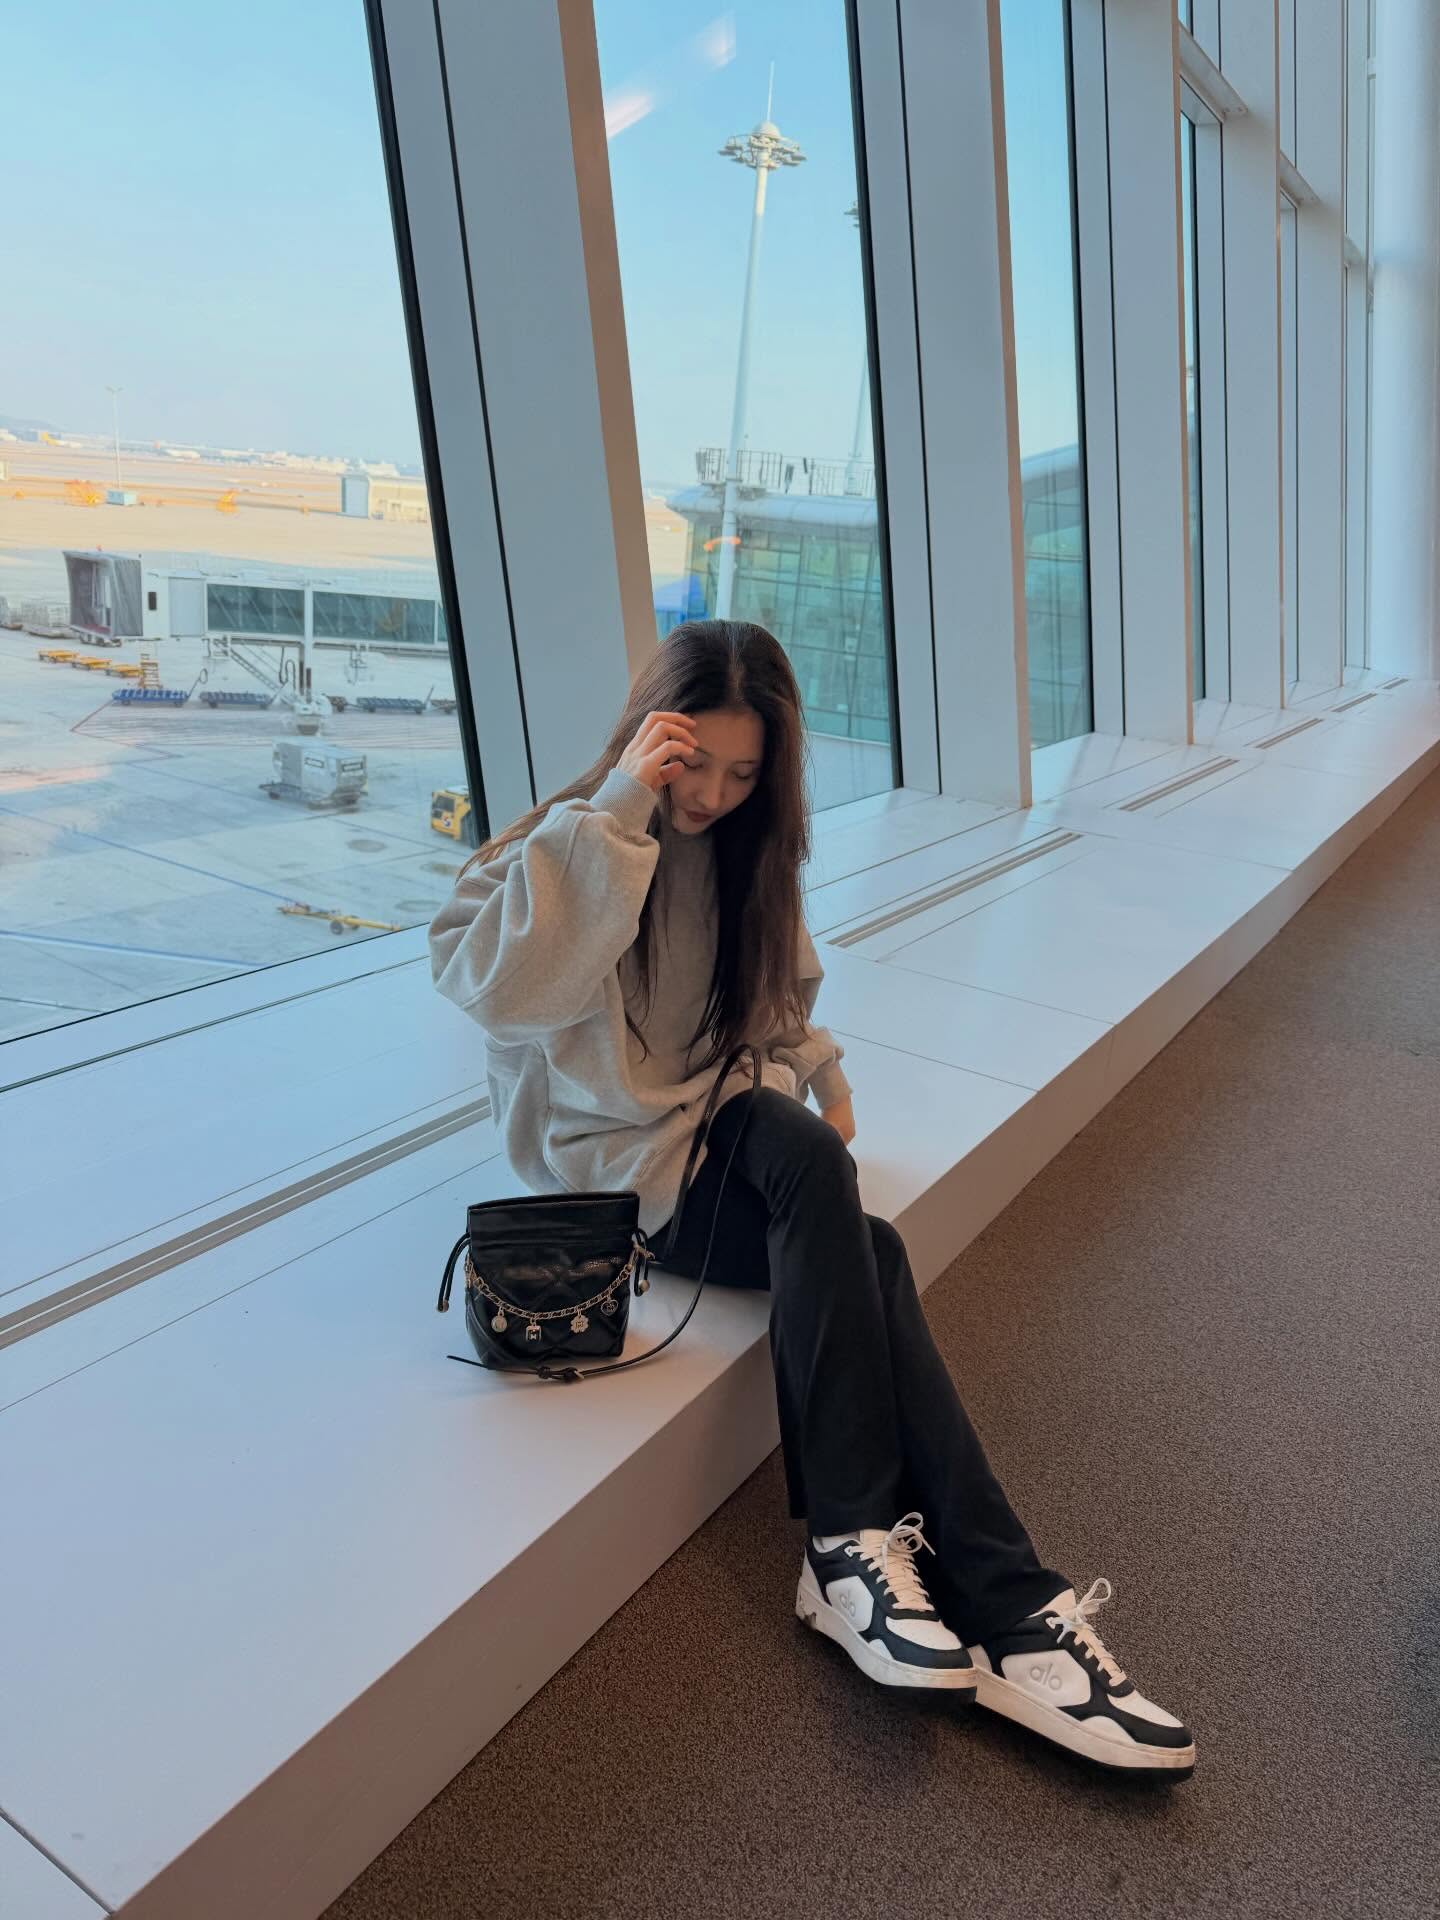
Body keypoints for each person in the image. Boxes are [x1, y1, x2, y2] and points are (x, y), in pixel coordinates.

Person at [429, 619, 1194, 1778]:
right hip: (616, 1161)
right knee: (858, 1238)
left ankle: (961, 1592)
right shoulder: (570, 837)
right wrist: (623, 808)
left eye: (744, 775)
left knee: (846, 1220)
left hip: (720, 1123)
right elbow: (498, 991)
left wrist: (823, 1078)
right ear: (648, 735)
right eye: (695, 765)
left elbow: (775, 1003)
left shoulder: (748, 852)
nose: (713, 797)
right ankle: (937, 1578)